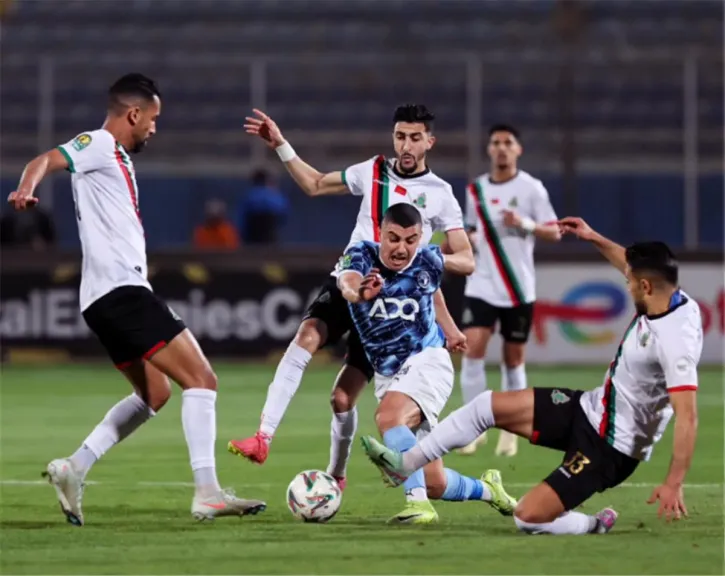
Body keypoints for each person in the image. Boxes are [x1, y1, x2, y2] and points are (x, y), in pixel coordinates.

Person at [6, 73, 265, 526]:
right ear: (133, 114)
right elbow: (45, 159)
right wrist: (27, 188)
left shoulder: (115, 156)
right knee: (202, 380)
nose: (154, 128)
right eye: (153, 119)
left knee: (155, 393)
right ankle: (207, 493)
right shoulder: (100, 144)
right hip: (121, 291)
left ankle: (75, 467)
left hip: (102, 298)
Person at [361, 222, 702, 535]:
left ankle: (595, 524)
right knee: (485, 406)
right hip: (589, 409)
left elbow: (687, 416)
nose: (627, 286)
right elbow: (630, 265)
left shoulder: (675, 342)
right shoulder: (668, 295)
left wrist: (674, 483)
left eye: (630, 283)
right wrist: (593, 237)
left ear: (646, 286)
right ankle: (406, 464)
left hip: (611, 447)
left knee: (527, 517)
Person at [228, 105, 474, 491]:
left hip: (391, 307)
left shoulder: (440, 194)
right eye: (400, 136)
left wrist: (426, 256)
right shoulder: (372, 171)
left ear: (430, 141)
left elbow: (466, 258)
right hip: (352, 278)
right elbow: (314, 184)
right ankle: (263, 437)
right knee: (307, 335)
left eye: (414, 138)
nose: (406, 145)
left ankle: (338, 474)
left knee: (343, 399)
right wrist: (281, 145)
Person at [338, 203, 516, 523]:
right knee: (435, 482)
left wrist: (451, 330)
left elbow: (441, 284)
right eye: (393, 238)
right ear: (381, 233)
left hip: (427, 359)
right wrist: (359, 293)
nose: (401, 249)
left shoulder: (427, 259)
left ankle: (417, 505)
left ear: (420, 238)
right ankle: (490, 490)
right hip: (389, 373)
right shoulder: (361, 255)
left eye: (411, 240)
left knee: (389, 417)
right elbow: (346, 283)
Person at [457, 124, 561, 457]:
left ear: (518, 149)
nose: (501, 148)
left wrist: (525, 224)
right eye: (496, 143)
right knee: (472, 350)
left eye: (508, 142)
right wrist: (469, 238)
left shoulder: (531, 189)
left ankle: (511, 429)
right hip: (481, 283)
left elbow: (555, 232)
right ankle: (472, 429)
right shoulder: (476, 190)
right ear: (489, 149)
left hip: (518, 287)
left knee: (513, 358)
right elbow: (468, 229)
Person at [238, 169, 289, 244]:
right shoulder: (276, 196)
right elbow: (284, 215)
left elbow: (243, 219)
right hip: (271, 236)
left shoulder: (250, 196)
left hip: (253, 237)